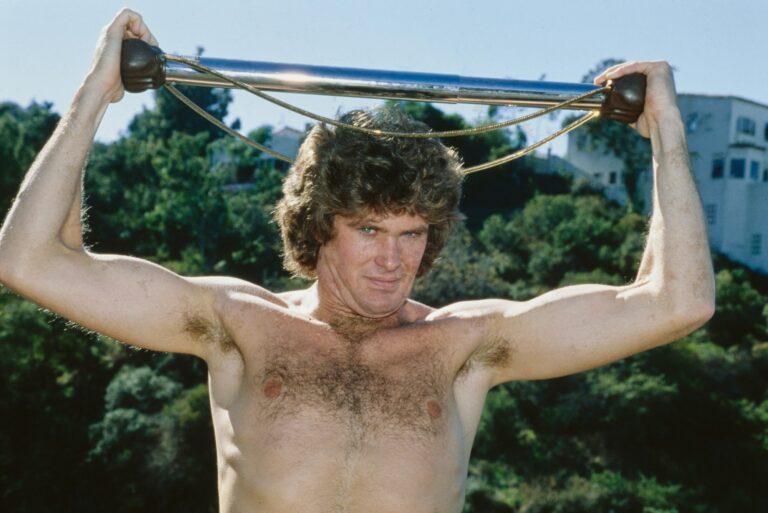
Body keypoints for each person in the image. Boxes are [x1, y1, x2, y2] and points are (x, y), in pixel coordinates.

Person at [0, 8, 715, 513]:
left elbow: (677, 302)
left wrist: (667, 132)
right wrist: (95, 93)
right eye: (369, 228)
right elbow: (30, 260)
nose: (393, 258)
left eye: (413, 233)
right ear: (319, 226)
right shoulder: (236, 324)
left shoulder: (466, 346)